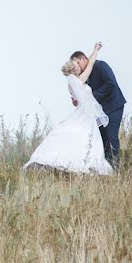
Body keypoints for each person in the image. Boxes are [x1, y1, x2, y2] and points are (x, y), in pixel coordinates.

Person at [22, 42, 113, 175]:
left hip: (85, 113)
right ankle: (84, 166)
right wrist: (95, 50)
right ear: (74, 69)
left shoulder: (73, 82)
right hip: (85, 115)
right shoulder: (75, 80)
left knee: (83, 138)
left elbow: (76, 100)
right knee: (83, 138)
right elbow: (90, 64)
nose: (81, 68)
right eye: (77, 65)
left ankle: (84, 166)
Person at [69, 46, 126, 167]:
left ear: (84, 59)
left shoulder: (100, 65)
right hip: (99, 112)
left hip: (113, 106)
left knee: (111, 137)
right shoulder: (84, 75)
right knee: (102, 139)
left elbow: (111, 83)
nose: (78, 67)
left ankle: (116, 167)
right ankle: (106, 167)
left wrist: (92, 96)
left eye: (78, 63)